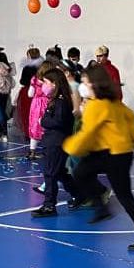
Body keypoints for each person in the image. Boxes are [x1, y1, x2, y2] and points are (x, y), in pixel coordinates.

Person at [64, 64, 134, 251]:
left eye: (85, 82)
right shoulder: (114, 103)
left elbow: (87, 133)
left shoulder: (97, 106)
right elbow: (130, 119)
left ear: (94, 85)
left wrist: (70, 146)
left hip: (116, 155)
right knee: (81, 171)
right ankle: (101, 204)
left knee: (125, 196)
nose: (82, 86)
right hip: (110, 152)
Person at [31, 68, 82, 218]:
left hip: (56, 142)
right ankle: (79, 194)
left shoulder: (60, 102)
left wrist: (43, 120)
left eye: (46, 82)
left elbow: (57, 121)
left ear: (54, 84)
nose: (44, 86)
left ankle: (49, 205)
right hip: (53, 140)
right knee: (59, 172)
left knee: (50, 174)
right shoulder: (56, 100)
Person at [28, 60, 55, 159]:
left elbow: (30, 94)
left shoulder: (34, 80)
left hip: (35, 105)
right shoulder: (51, 81)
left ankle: (32, 151)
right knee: (47, 126)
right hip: (47, 104)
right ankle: (47, 150)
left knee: (35, 126)